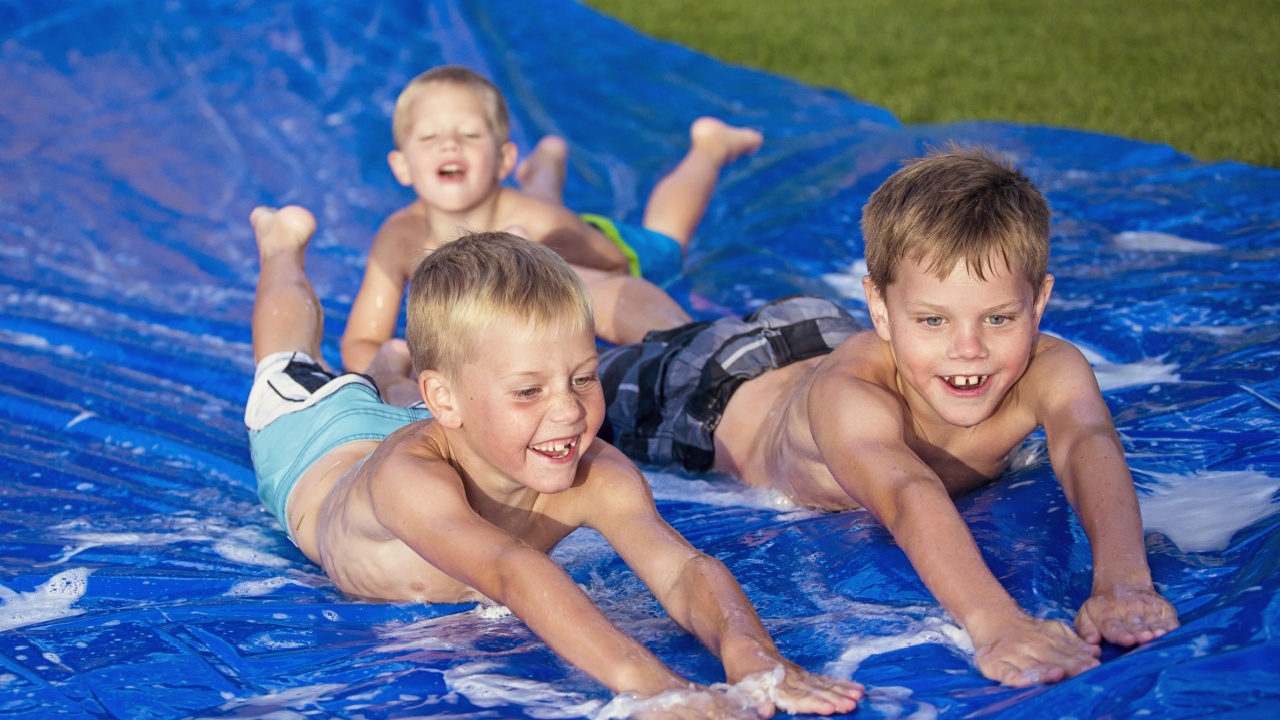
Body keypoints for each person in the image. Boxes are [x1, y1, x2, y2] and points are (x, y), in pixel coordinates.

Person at [595, 146, 1180, 688]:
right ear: (880, 306)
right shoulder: (851, 397)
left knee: (672, 328)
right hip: (713, 391)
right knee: (593, 367)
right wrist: (997, 622)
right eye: (934, 321)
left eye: (999, 319)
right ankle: (557, 268)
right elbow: (906, 491)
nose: (968, 349)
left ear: (1039, 303)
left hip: (819, 333)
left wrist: (1123, 584)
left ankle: (614, 291)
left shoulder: (1050, 366)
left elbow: (1088, 441)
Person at [245, 205, 862, 717]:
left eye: (583, 378)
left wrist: (753, 654)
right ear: (449, 399)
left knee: (433, 404)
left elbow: (681, 571)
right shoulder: (409, 482)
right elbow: (515, 574)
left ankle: (392, 372)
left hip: (447, 422)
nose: (568, 412)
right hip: (319, 441)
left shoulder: (590, 468)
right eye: (530, 390)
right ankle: (281, 249)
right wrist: (655, 687)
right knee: (285, 358)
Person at [341, 65, 763, 374]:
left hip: (603, 248)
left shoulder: (539, 222)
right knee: (526, 223)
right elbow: (362, 340)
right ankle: (546, 166)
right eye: (430, 137)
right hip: (521, 219)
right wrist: (403, 371)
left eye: (468, 135)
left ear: (503, 158)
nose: (449, 144)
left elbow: (613, 263)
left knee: (668, 237)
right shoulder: (400, 237)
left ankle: (710, 148)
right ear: (401, 166)